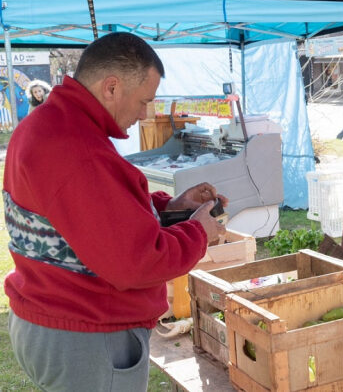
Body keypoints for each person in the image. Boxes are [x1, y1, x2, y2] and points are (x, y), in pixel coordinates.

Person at [3, 32, 228, 391]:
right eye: (143, 102)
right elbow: (137, 261)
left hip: (52, 318)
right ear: (111, 87)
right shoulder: (78, 148)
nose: (143, 116)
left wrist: (170, 208)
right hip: (85, 335)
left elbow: (88, 215)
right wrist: (200, 232)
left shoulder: (47, 124)